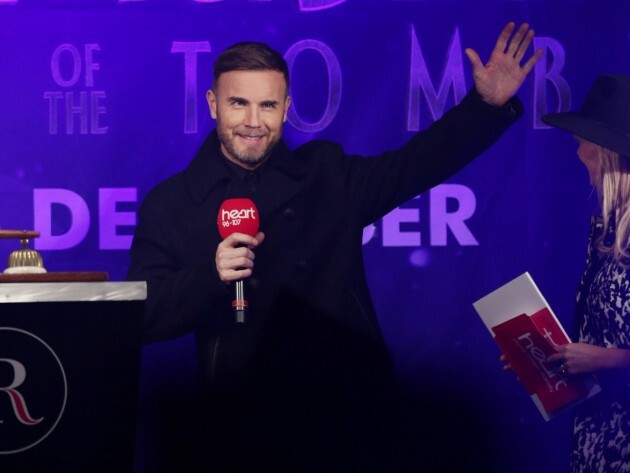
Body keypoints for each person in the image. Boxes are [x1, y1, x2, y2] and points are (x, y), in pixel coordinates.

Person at [128, 23, 540, 472]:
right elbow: (141, 318)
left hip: (346, 416)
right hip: (238, 425)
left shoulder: (326, 175)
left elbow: (415, 165)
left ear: (286, 109)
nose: (252, 121)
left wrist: (483, 106)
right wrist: (210, 275)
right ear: (213, 105)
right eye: (238, 103)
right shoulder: (172, 203)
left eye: (268, 105)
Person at [541, 75, 630, 473]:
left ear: (608, 153)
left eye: (583, 141)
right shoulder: (607, 234)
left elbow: (608, 353)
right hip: (599, 436)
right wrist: (552, 354)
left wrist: (607, 361)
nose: (577, 153)